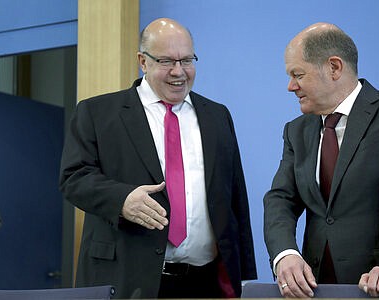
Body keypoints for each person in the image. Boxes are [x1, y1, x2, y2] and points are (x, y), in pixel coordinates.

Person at [59, 18, 256, 299]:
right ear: (143, 61)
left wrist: (246, 277)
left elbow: (236, 197)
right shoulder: (98, 113)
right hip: (129, 279)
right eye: (166, 61)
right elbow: (73, 177)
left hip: (206, 282)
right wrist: (122, 199)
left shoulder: (217, 115)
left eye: (187, 60)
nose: (179, 72)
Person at [263, 22, 379, 299]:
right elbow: (279, 200)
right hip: (316, 288)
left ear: (334, 67)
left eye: (298, 74)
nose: (290, 86)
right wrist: (285, 255)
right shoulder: (296, 131)